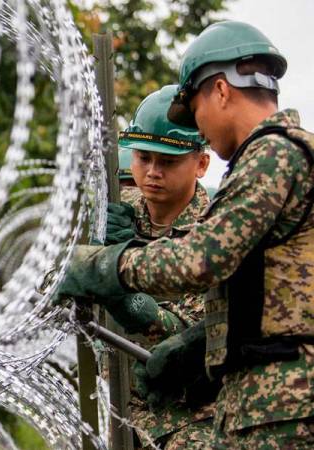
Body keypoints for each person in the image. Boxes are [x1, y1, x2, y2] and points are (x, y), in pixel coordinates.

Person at [59, 21, 314, 448]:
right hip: (262, 404)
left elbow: (201, 258)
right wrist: (198, 343)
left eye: (194, 111)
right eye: (144, 158)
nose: (203, 130)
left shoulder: (273, 152)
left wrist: (106, 265)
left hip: (281, 404)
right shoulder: (280, 154)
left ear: (219, 91)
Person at [104, 85, 213, 449]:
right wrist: (95, 249)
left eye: (167, 162)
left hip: (190, 420)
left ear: (200, 164)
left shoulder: (220, 231)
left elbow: (193, 333)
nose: (152, 172)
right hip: (114, 408)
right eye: (143, 158)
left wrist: (126, 295)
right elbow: (56, 287)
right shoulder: (115, 213)